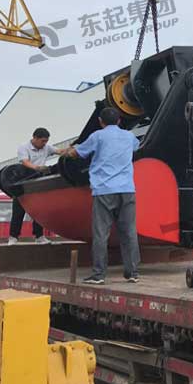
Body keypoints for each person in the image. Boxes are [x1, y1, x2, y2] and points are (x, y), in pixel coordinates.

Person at [65, 107, 141, 285]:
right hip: (127, 190)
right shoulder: (129, 137)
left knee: (101, 234)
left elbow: (77, 153)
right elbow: (137, 147)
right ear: (120, 121)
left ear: (100, 121)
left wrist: (66, 151)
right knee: (129, 232)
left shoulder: (98, 136)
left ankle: (99, 275)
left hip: (104, 190)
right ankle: (132, 273)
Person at [8, 127, 67, 245]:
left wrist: (73, 149)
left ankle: (39, 236)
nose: (44, 144)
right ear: (34, 138)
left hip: (38, 182)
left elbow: (60, 151)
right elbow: (25, 162)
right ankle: (13, 237)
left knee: (40, 211)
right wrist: (38, 168)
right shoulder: (23, 147)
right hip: (23, 182)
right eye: (42, 141)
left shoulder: (46, 147)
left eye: (46, 141)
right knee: (18, 211)